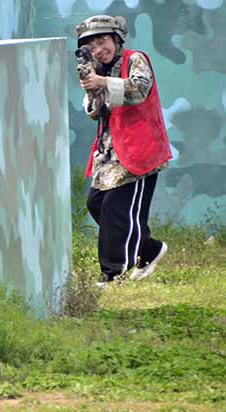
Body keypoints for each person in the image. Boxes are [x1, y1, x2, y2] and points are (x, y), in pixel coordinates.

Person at [75, 15, 172, 283]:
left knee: (116, 210)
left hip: (138, 150)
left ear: (116, 39)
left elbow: (139, 90)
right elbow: (94, 112)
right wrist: (92, 89)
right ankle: (149, 250)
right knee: (97, 204)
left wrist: (102, 83)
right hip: (109, 152)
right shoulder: (99, 70)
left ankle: (112, 273)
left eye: (102, 41)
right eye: (92, 46)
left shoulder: (134, 59)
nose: (98, 50)